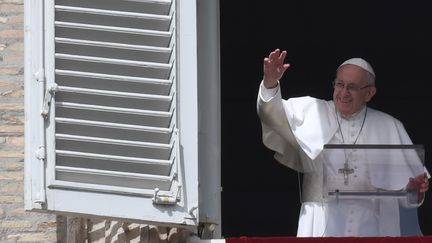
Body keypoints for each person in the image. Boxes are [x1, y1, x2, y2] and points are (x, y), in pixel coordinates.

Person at [257, 49, 430, 237]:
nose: (344, 92)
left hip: (373, 226)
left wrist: (413, 191)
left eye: (353, 87)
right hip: (320, 220)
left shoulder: (389, 125)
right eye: (340, 84)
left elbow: (408, 197)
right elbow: (272, 115)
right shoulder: (313, 110)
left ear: (369, 93)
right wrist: (270, 82)